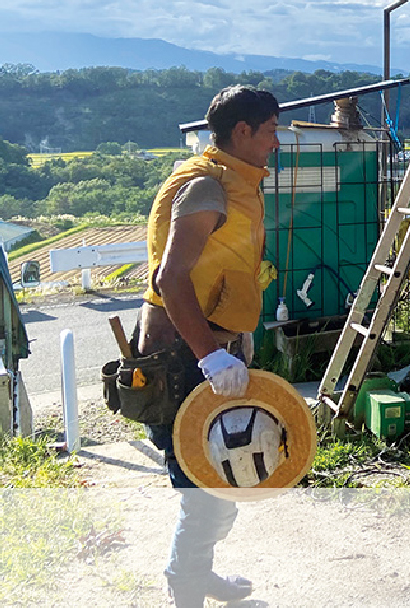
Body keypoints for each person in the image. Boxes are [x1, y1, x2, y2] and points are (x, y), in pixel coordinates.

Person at [137, 85, 280, 606]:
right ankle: (186, 586)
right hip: (183, 356)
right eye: (269, 131)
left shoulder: (232, 180)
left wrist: (234, 341)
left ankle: (197, 574)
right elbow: (171, 279)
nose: (276, 142)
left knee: (220, 477)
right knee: (203, 485)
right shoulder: (206, 189)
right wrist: (210, 355)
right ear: (241, 132)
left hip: (211, 349)